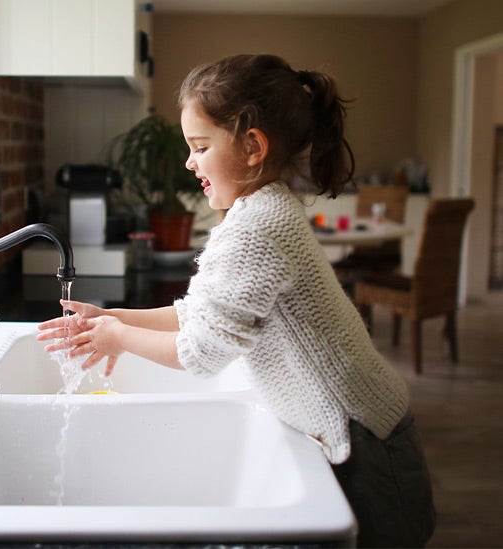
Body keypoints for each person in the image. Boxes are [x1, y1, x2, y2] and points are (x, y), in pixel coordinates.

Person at [37, 54, 435, 547]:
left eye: (200, 146)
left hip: (363, 440)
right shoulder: (257, 213)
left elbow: (201, 351)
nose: (189, 161)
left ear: (252, 146)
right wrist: (115, 316)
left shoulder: (257, 229)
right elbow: (197, 314)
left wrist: (116, 337)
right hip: (359, 430)